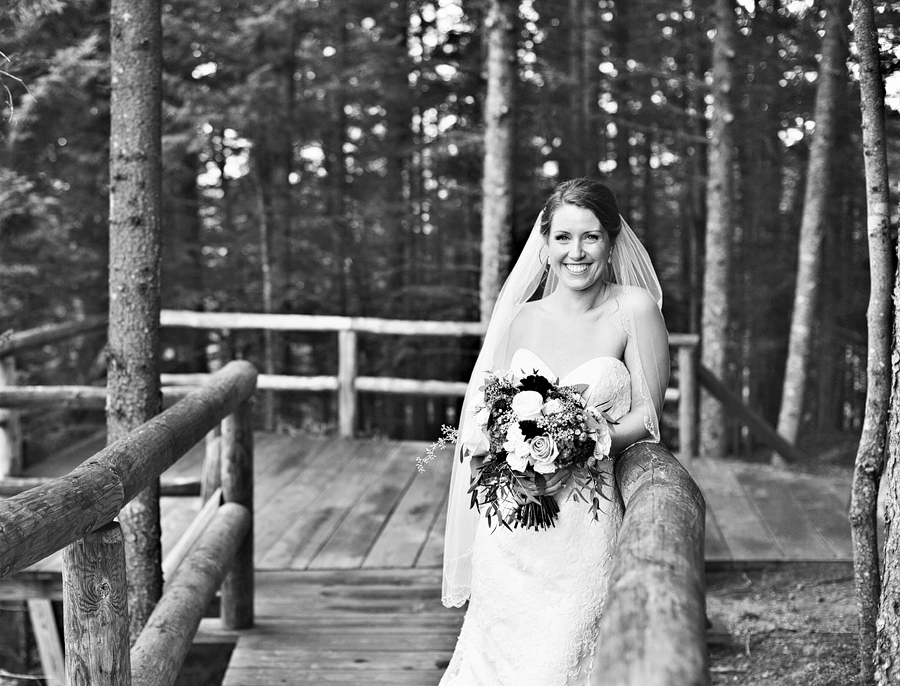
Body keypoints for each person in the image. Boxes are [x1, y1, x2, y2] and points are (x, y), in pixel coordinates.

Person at [439, 178, 670, 686]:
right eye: (563, 237)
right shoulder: (521, 317)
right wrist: (506, 457)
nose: (576, 252)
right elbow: (488, 412)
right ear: (544, 246)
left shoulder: (633, 309)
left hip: (583, 526)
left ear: (611, 242)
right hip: (512, 521)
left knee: (559, 664)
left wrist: (586, 437)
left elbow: (649, 414)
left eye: (590, 237)